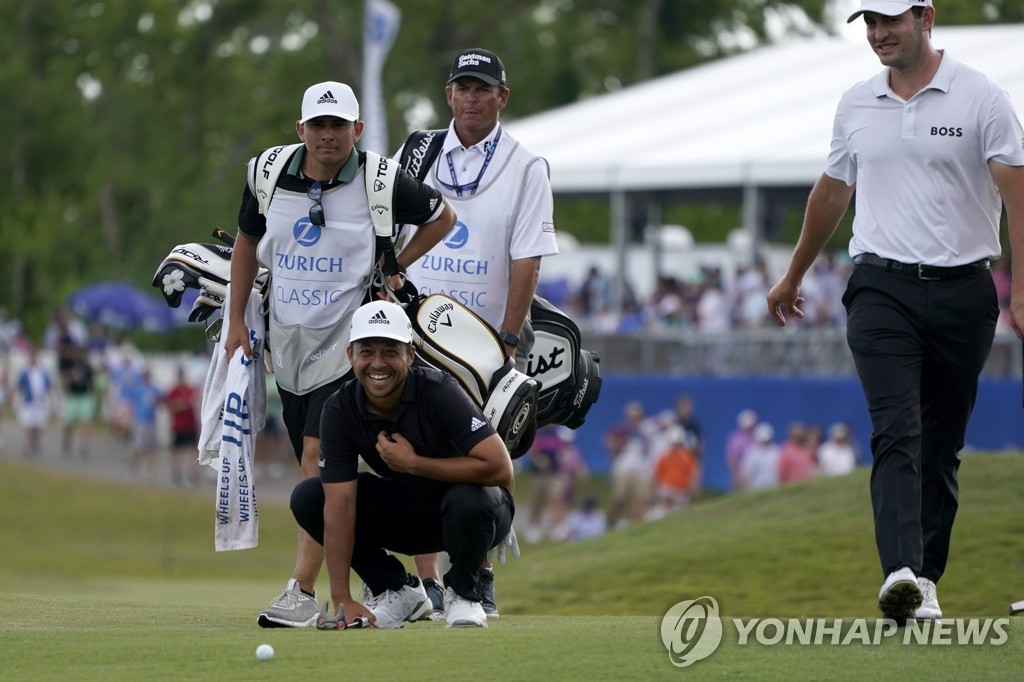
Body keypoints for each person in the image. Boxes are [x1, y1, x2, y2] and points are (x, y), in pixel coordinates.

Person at [766, 0, 1024, 623]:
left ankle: (927, 579)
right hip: (881, 286)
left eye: (890, 21)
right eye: (869, 24)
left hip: (966, 289)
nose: (878, 34)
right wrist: (794, 272)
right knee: (895, 429)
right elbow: (832, 190)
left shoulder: (981, 96)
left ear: (925, 16)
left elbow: (1018, 191)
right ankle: (900, 572)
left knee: (940, 446)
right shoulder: (855, 101)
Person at [224, 80, 455, 629]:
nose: (328, 136)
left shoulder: (379, 178)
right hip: (290, 344)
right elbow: (245, 245)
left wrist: (395, 264)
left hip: (350, 347)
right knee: (331, 467)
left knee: (316, 461)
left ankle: (304, 590)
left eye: (339, 126)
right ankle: (396, 585)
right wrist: (235, 319)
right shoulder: (268, 173)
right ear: (301, 129)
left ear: (358, 129)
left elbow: (442, 217)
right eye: (318, 125)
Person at [396, 48, 558, 618]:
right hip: (413, 327)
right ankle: (425, 584)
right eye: (462, 87)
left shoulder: (526, 165)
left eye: (482, 88)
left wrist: (508, 341)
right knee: (408, 449)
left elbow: (527, 260)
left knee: (482, 455)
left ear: (502, 97)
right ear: (449, 95)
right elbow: (389, 227)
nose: (471, 97)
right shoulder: (415, 152)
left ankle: (477, 573)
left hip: (484, 339)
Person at [289, 300, 514, 629]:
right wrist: (342, 597)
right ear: (350, 356)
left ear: (409, 354)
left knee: (468, 497)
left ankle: (464, 595)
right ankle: (396, 590)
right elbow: (340, 504)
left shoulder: (439, 391)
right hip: (410, 513)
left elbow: (500, 470)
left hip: (478, 514)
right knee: (310, 496)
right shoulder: (339, 409)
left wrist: (414, 463)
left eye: (390, 351)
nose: (378, 363)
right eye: (367, 352)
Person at [162, 366, 200, 486]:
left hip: (190, 424)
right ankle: (176, 473)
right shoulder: (173, 391)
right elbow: (168, 406)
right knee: (175, 450)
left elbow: (194, 402)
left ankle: (192, 472)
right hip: (178, 425)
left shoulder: (190, 390)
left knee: (192, 449)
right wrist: (179, 406)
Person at [15, 345, 52, 458]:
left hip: (40, 402)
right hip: (29, 401)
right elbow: (19, 385)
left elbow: (48, 385)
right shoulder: (25, 371)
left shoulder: (43, 371)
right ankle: (28, 446)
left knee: (38, 425)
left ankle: (35, 440)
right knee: (28, 424)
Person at [60, 344, 95, 459]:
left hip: (84, 396)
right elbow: (65, 379)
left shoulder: (87, 367)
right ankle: (67, 438)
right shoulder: (70, 366)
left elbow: (91, 382)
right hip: (73, 396)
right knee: (69, 422)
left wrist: (93, 396)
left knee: (85, 422)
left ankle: (83, 446)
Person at [739, 422, 780, 492]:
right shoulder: (751, 453)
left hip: (774, 488)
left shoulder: (776, 451)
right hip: (756, 489)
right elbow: (746, 474)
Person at [724, 409, 758, 492]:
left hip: (754, 475)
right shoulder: (736, 439)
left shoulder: (756, 437)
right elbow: (732, 459)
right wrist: (738, 475)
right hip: (740, 476)